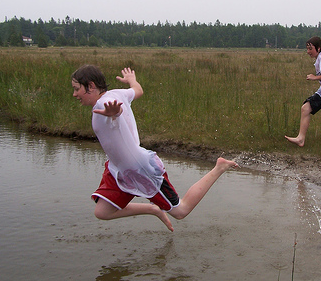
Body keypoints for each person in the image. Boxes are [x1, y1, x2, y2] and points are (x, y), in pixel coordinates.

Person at [71, 65, 239, 232]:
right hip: (119, 169)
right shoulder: (118, 93)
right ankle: (152, 209)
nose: (75, 94)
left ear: (91, 86)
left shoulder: (104, 104)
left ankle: (219, 167)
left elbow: (116, 110)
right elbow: (138, 91)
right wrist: (132, 81)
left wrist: (115, 112)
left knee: (181, 211)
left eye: (77, 89)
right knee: (102, 212)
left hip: (142, 169)